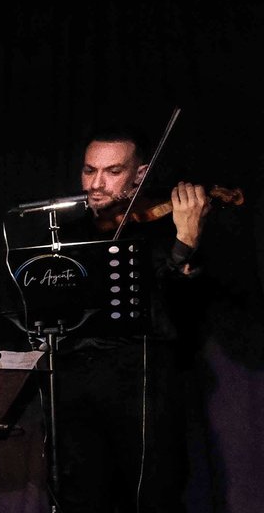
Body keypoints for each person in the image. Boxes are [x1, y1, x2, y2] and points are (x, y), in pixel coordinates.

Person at [42, 126, 213, 513]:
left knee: (151, 497)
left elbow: (177, 311)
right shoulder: (66, 232)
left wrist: (185, 241)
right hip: (74, 385)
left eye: (113, 171)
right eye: (89, 171)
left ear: (139, 174)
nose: (97, 183)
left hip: (141, 382)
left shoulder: (160, 227)